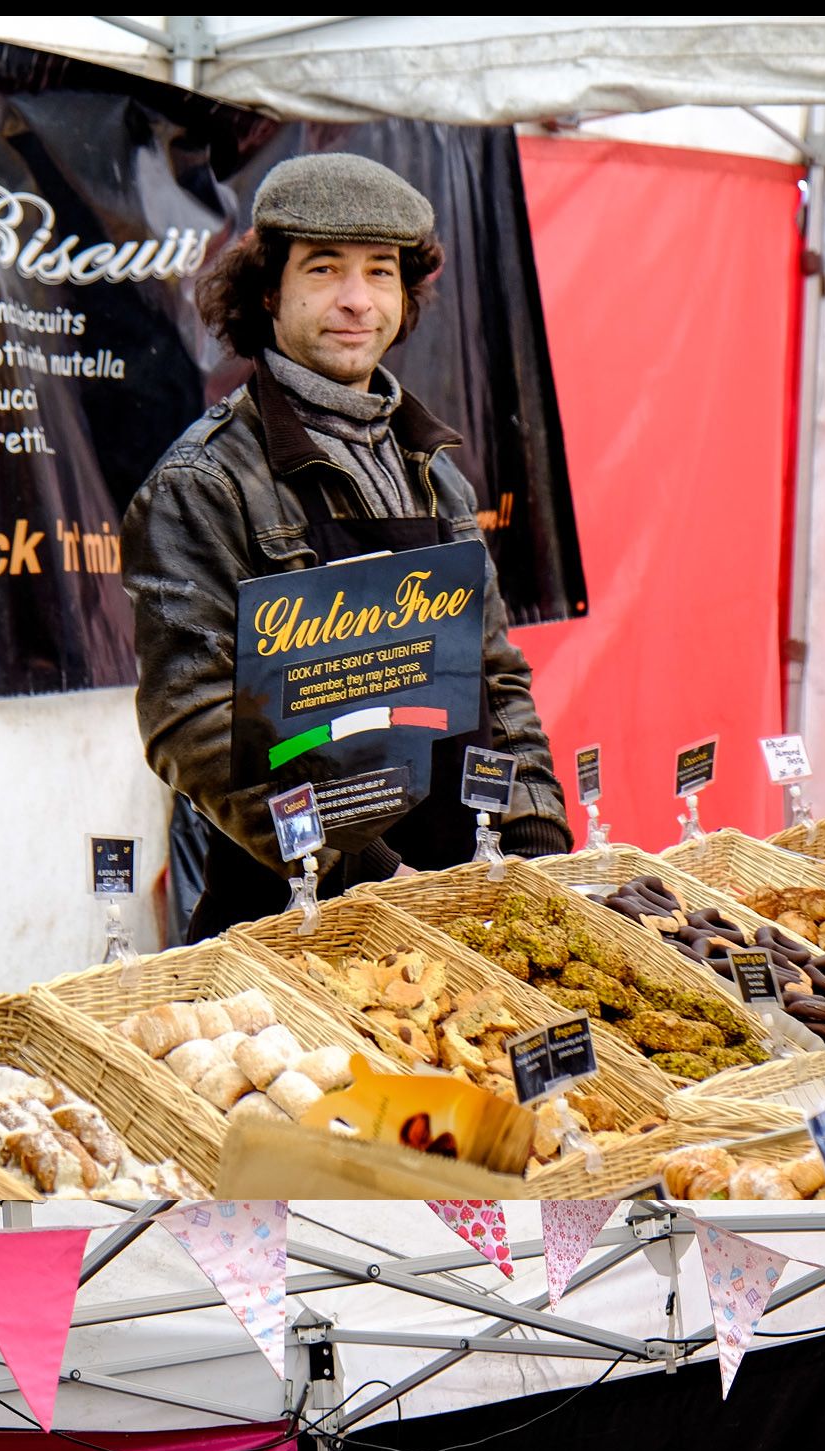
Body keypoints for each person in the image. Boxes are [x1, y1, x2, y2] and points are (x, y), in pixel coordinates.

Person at [124, 153, 570, 940]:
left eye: (381, 272)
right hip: (298, 919)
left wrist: (533, 846)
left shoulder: (435, 473)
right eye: (325, 269)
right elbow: (192, 724)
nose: (357, 300)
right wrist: (365, 874)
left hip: (464, 905)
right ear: (269, 290)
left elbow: (496, 682)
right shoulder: (204, 481)